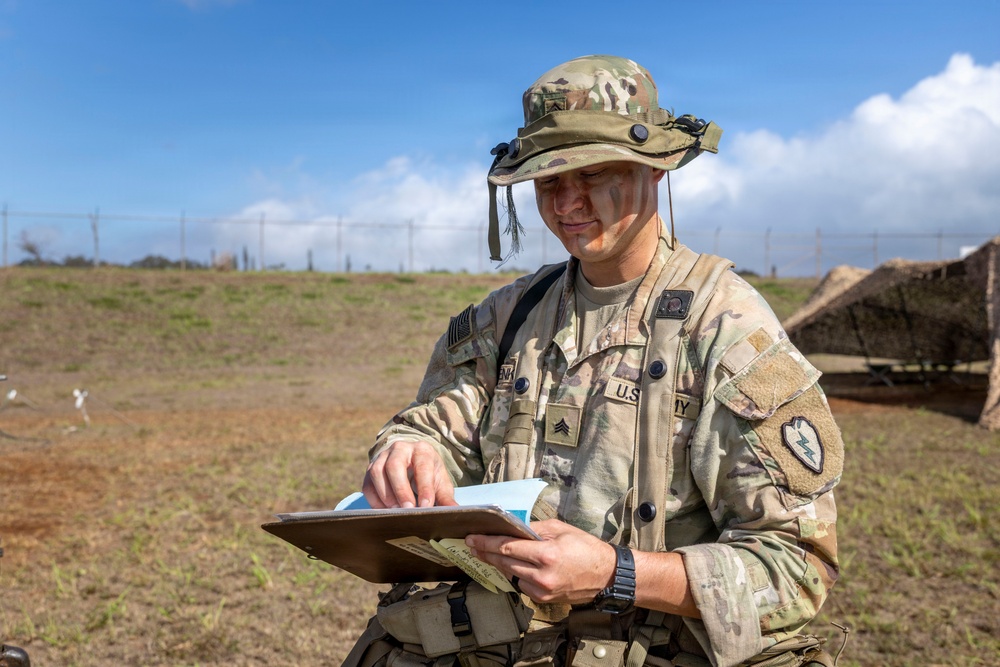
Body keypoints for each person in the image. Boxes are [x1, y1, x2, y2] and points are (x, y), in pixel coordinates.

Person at [357, 55, 843, 667]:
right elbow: (432, 428)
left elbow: (795, 570)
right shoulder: (506, 318)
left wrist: (620, 573)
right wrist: (409, 452)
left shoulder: (725, 326)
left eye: (592, 173)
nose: (568, 202)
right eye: (547, 181)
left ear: (655, 167)